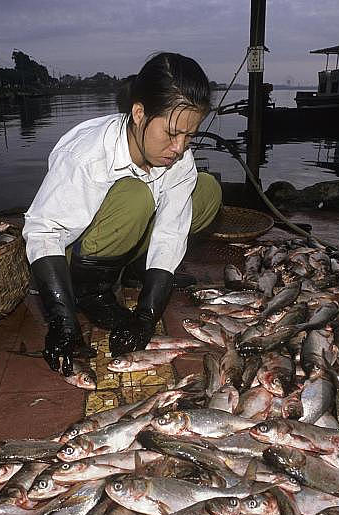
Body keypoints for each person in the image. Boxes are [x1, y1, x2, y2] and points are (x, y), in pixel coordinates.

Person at [23, 52, 222, 376]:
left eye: (189, 136)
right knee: (135, 195)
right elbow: (44, 231)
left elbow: (171, 232)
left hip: (125, 234)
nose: (179, 147)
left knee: (207, 190)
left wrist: (147, 313)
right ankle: (92, 292)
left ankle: (135, 270)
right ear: (139, 113)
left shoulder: (179, 157)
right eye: (171, 134)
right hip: (73, 254)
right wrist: (61, 316)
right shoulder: (88, 154)